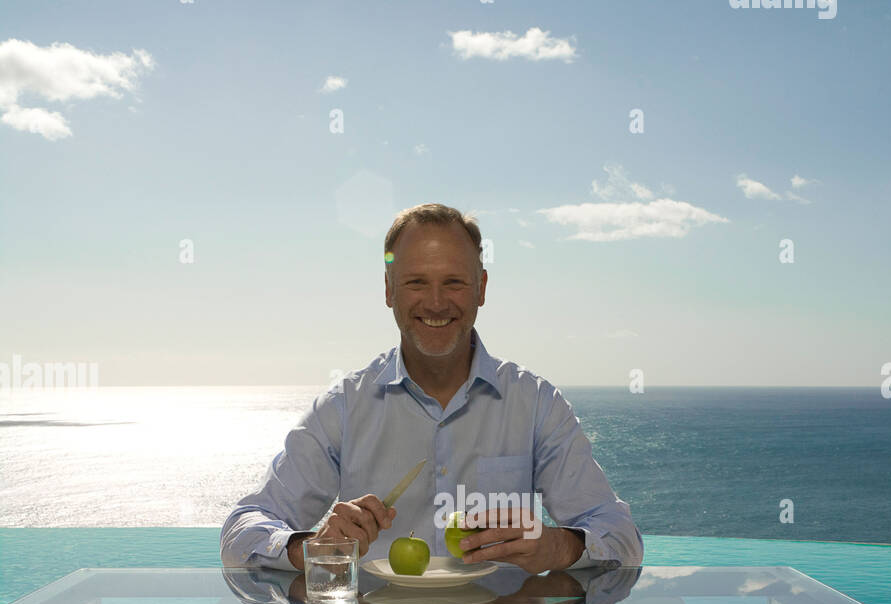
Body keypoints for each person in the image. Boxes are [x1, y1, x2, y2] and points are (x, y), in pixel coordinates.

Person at [220, 203, 644, 574]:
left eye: (455, 283)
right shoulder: (343, 407)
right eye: (417, 283)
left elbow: (621, 536)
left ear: (482, 289)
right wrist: (309, 548)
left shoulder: (535, 404)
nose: (437, 303)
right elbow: (241, 533)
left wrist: (558, 545)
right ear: (389, 291)